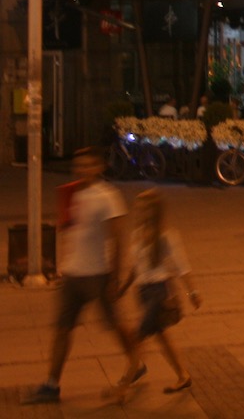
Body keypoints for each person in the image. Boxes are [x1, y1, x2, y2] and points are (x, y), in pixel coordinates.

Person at [24, 147, 143, 405]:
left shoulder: (108, 196)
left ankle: (137, 361)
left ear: (99, 167)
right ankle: (51, 384)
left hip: (98, 275)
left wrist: (115, 277)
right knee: (62, 329)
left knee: (116, 325)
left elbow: (118, 238)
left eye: (88, 165)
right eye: (78, 166)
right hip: (72, 276)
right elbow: (70, 231)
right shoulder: (72, 193)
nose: (81, 170)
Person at [124, 189, 200, 395]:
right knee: (159, 336)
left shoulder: (166, 236)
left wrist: (192, 292)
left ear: (154, 211)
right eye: (137, 208)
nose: (138, 212)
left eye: (144, 209)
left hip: (158, 292)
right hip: (143, 292)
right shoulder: (137, 234)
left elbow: (182, 265)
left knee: (137, 336)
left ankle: (123, 385)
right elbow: (135, 267)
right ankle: (182, 375)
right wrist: (123, 287)